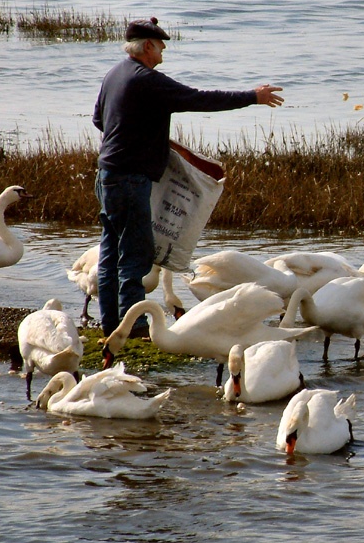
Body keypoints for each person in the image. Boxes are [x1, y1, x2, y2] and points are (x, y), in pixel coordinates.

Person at [93, 17, 283, 338]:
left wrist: (137, 136)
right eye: (161, 43)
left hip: (107, 175)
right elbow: (199, 98)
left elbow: (100, 119)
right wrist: (252, 96)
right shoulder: (147, 80)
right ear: (148, 47)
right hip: (130, 181)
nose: (165, 48)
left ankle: (111, 322)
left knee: (111, 250)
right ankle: (136, 325)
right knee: (136, 256)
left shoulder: (115, 75)